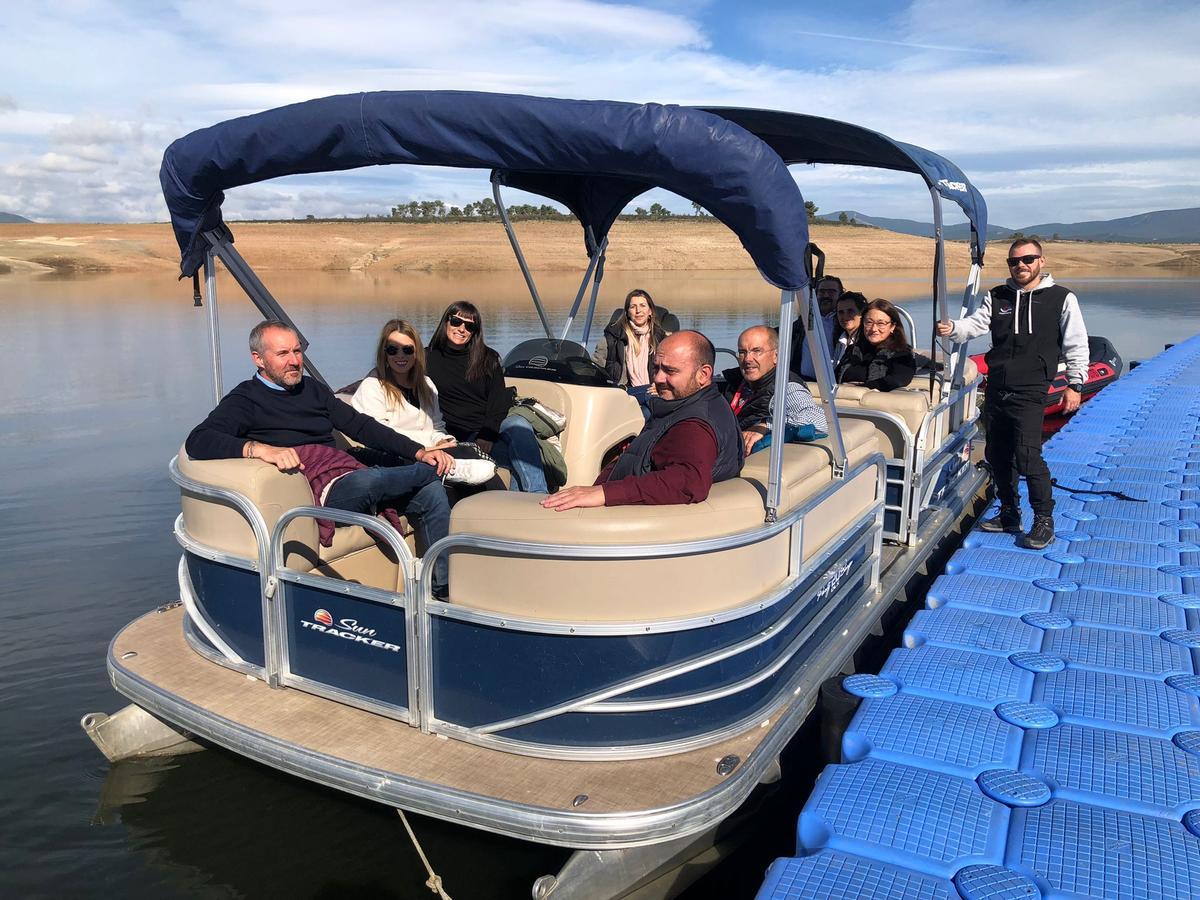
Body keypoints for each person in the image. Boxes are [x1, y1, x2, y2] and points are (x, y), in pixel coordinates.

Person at [185, 320, 453, 595]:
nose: (294, 361)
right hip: (322, 491)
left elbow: (361, 426)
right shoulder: (246, 399)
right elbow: (199, 440)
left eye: (297, 352)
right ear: (259, 359)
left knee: (431, 494)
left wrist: (418, 451)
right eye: (283, 354)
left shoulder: (313, 390)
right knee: (371, 481)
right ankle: (434, 472)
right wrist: (260, 449)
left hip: (342, 470)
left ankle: (440, 590)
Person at [937, 238, 1089, 550]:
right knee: (997, 454)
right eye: (1014, 261)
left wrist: (1075, 385)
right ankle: (1009, 512)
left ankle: (1044, 520)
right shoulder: (998, 296)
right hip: (997, 386)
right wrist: (952, 328)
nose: (1020, 265)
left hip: (1032, 389)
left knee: (1028, 455)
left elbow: (1076, 343)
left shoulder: (1062, 298)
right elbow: (975, 326)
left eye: (1027, 259)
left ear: (1041, 261)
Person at [542, 331, 742, 511]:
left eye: (670, 371)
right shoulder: (687, 404)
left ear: (703, 374)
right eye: (656, 368)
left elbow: (688, 481)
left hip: (624, 525)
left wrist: (604, 493)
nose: (658, 378)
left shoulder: (694, 425)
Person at [349, 318, 498, 488]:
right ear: (384, 353)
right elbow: (379, 434)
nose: (400, 356)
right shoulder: (373, 386)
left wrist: (441, 441)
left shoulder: (426, 385)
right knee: (468, 479)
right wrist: (427, 449)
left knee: (489, 475)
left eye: (407, 350)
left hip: (431, 453)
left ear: (416, 352)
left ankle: (454, 471)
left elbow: (436, 426)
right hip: (394, 456)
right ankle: (451, 471)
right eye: (392, 350)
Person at [425, 301, 549, 493]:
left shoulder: (488, 358)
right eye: (456, 321)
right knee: (514, 459)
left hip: (489, 428)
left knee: (520, 425)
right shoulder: (425, 358)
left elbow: (498, 400)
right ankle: (527, 506)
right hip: (455, 435)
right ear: (446, 322)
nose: (462, 328)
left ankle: (537, 497)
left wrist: (488, 435)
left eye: (470, 325)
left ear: (475, 331)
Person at [722, 325, 827, 457]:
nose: (748, 359)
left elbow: (820, 421)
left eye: (757, 351)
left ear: (776, 356)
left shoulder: (786, 387)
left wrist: (767, 425)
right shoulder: (735, 382)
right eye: (742, 352)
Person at [592, 288, 670, 417]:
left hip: (654, 390)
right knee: (649, 396)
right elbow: (595, 369)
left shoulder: (660, 338)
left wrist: (660, 386)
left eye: (642, 306)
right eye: (633, 307)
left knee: (647, 411)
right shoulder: (612, 338)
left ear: (650, 311)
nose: (638, 311)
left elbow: (671, 369)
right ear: (628, 312)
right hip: (622, 391)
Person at [836, 298, 916, 391]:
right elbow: (833, 377)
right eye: (869, 322)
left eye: (881, 323)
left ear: (892, 327)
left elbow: (898, 380)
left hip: (876, 403)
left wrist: (860, 388)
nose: (874, 328)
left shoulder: (902, 353)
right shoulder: (852, 350)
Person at [791, 275, 843, 381]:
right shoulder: (805, 319)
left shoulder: (844, 322)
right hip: (804, 381)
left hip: (833, 383)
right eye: (822, 291)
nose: (826, 295)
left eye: (832, 292)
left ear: (840, 295)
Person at [832, 291, 867, 365]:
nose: (845, 316)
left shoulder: (867, 341)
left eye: (850, 311)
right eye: (841, 312)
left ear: (861, 313)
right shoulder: (840, 340)